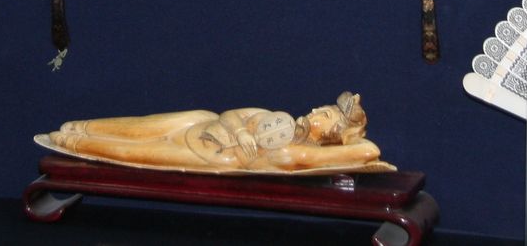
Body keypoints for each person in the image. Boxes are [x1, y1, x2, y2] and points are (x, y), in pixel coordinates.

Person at [37, 92, 390, 173]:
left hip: (207, 156)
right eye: (320, 108)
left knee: (128, 153)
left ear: (332, 133)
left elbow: (368, 151)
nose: (313, 112)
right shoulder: (277, 120)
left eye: (323, 115)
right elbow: (232, 114)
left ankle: (73, 141)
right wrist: (243, 131)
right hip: (199, 124)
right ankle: (81, 127)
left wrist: (350, 135)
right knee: (138, 125)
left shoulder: (301, 154)